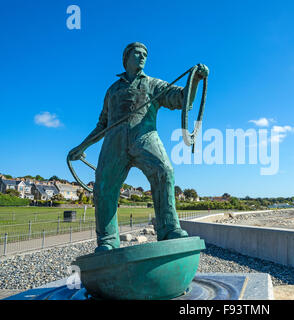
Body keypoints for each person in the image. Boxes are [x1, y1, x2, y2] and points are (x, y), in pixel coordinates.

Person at [68, 42, 209, 252]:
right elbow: (102, 124)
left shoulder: (153, 84)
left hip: (145, 138)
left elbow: (182, 100)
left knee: (164, 172)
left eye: (145, 54)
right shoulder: (113, 90)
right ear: (126, 58)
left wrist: (196, 79)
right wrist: (81, 146)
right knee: (104, 187)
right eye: (137, 53)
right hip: (114, 144)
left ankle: (169, 229)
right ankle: (107, 240)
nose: (142, 57)